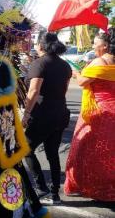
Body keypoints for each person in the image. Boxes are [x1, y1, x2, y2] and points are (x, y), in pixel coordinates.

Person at [64, 29, 115, 201]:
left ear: (105, 46)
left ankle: (92, 185)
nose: (93, 46)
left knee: (89, 150)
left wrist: (77, 72)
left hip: (99, 113)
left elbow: (81, 82)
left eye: (95, 43)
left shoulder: (99, 62)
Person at [22, 32, 72, 204]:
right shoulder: (65, 65)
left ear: (40, 45)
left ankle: (41, 187)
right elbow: (64, 90)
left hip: (43, 114)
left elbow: (34, 91)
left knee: (26, 148)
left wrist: (26, 113)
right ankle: (54, 193)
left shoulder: (39, 63)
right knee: (53, 153)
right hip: (60, 112)